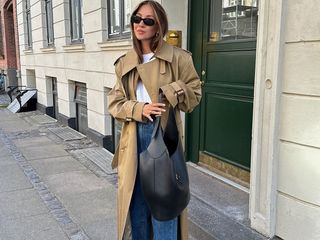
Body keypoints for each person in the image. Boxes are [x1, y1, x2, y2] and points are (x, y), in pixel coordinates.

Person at [107, 1, 201, 239]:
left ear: (159, 26)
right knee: (136, 203)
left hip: (161, 135)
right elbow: (114, 103)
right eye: (137, 19)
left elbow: (195, 94)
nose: (141, 24)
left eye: (148, 20)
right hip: (133, 137)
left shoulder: (179, 58)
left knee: (164, 204)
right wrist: (140, 108)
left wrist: (171, 91)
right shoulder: (125, 62)